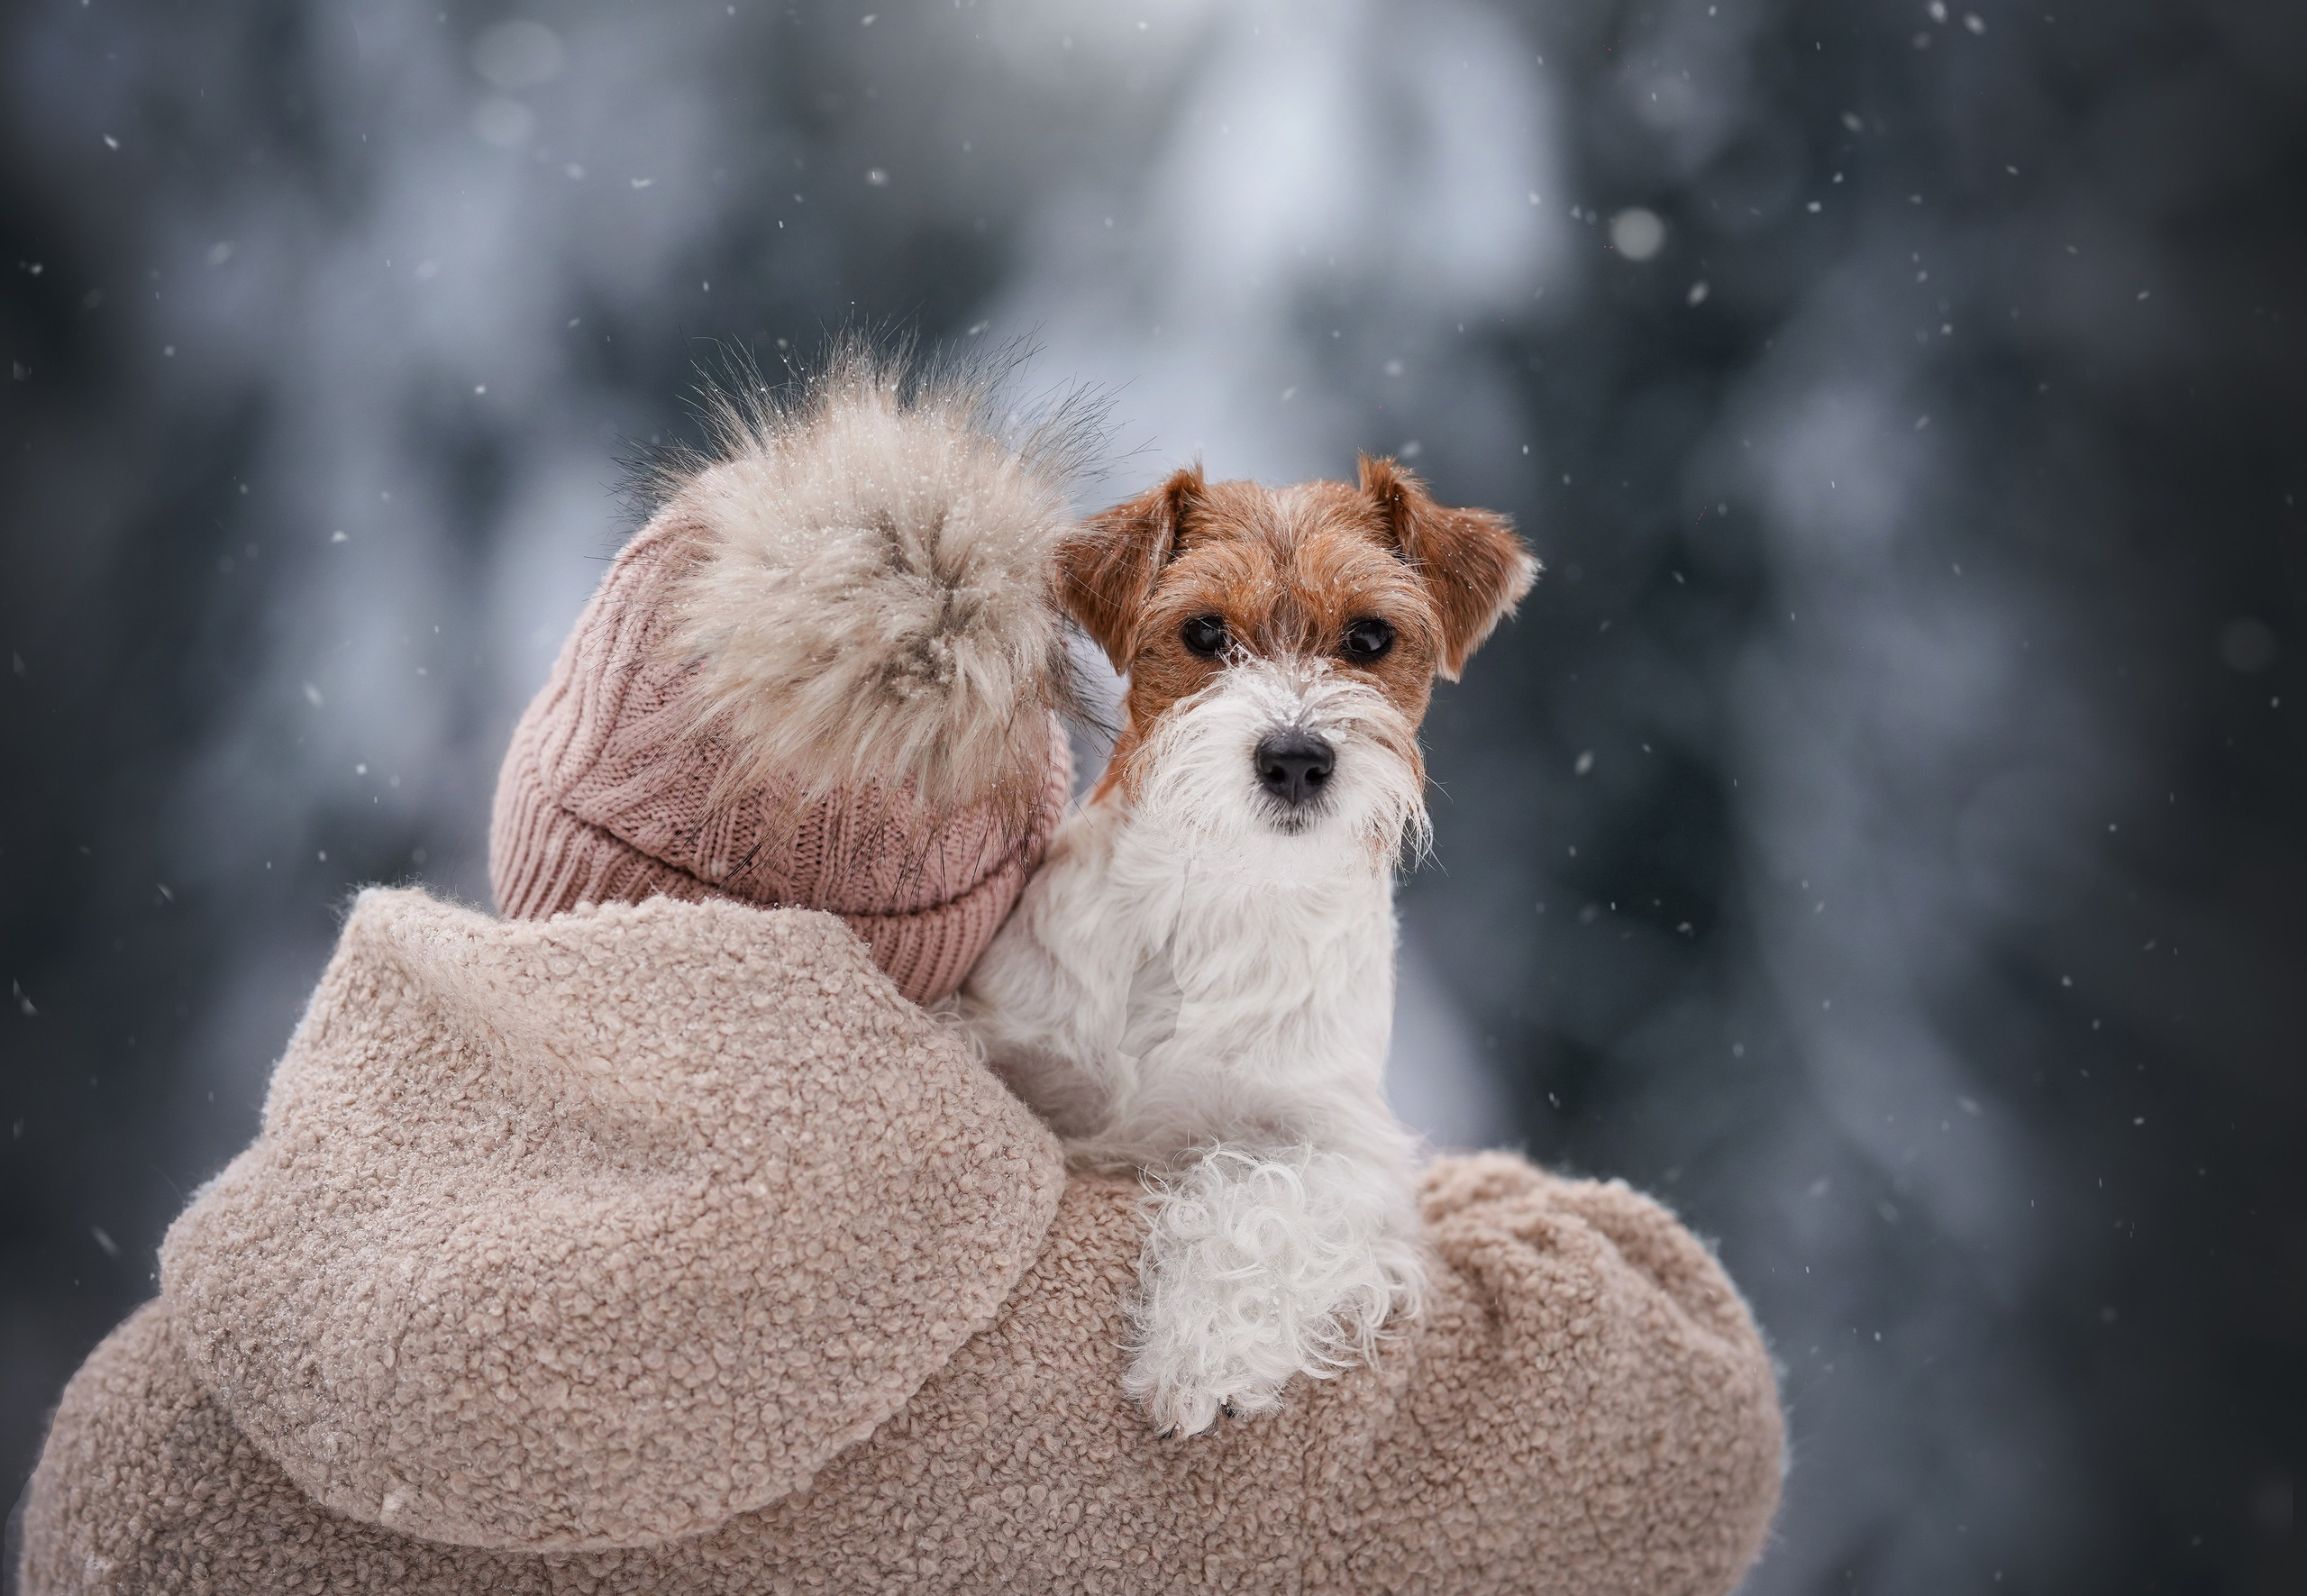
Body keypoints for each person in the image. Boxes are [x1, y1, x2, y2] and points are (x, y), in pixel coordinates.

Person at [13, 359, 1783, 1594]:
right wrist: (1370, 1188)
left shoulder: (161, 1422)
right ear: (979, 888)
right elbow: (1679, 1426)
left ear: (539, 824)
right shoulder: (1161, 1372)